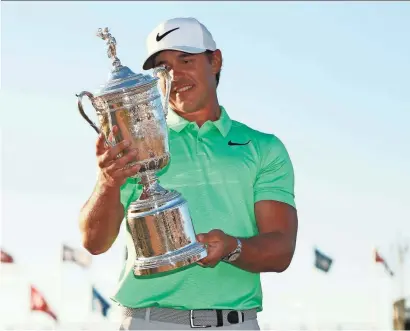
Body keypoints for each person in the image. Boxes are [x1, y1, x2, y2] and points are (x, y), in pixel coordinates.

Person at [79, 17, 298, 330]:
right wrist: (107, 182)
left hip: (235, 324)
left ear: (215, 60)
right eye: (164, 67)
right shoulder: (135, 144)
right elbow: (94, 242)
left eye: (185, 59)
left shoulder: (263, 147)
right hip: (147, 322)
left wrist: (232, 248)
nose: (175, 75)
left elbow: (281, 249)